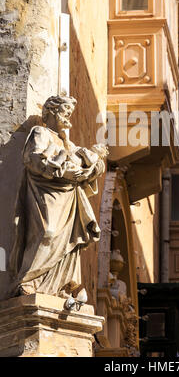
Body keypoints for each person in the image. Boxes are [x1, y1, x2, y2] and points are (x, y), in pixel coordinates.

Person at [9, 95, 107, 300]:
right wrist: (61, 169)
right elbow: (33, 158)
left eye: (69, 113)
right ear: (51, 113)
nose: (68, 116)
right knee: (48, 232)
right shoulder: (41, 132)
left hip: (69, 197)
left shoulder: (68, 143)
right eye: (64, 111)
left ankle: (63, 283)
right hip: (44, 193)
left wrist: (92, 165)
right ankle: (29, 281)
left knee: (70, 240)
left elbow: (87, 166)